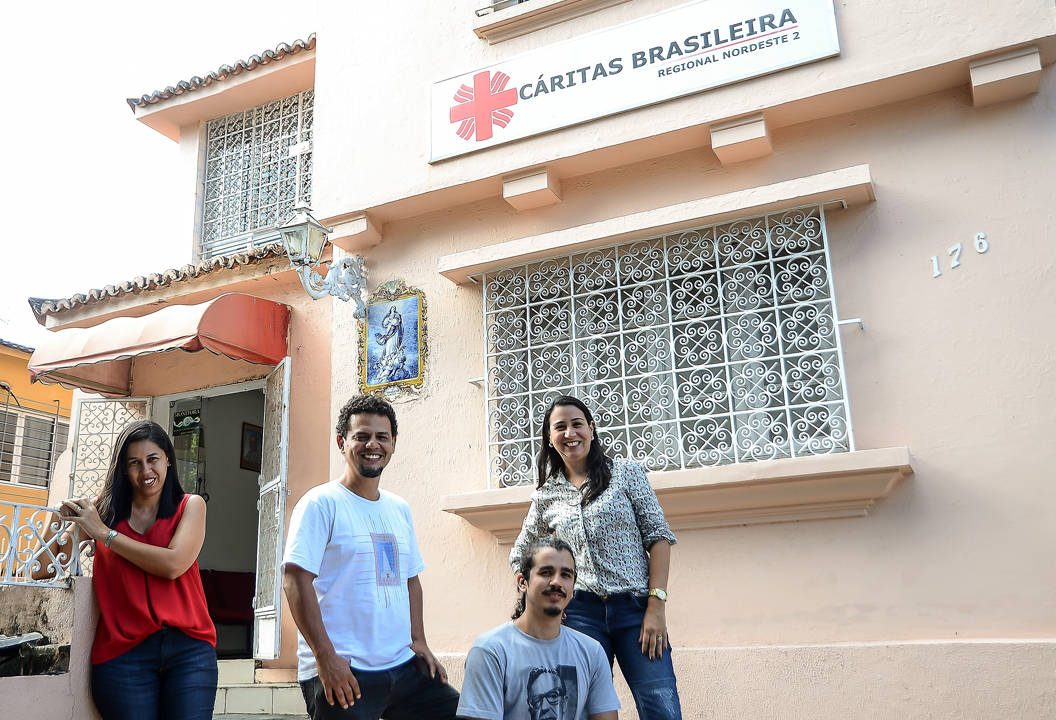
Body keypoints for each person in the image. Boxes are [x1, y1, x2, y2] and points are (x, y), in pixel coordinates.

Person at [282, 394, 459, 720]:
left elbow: (411, 580)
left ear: (393, 442)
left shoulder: (399, 508)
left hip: (402, 666)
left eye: (381, 436)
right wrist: (325, 658)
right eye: (361, 436)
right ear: (342, 442)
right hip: (345, 667)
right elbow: (295, 580)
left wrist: (418, 640)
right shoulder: (321, 503)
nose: (372, 444)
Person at [510, 396, 683, 720]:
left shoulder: (627, 474)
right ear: (549, 436)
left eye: (577, 424)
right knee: (589, 710)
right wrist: (542, 599)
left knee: (660, 704)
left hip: (636, 610)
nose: (570, 433)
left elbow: (659, 537)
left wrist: (655, 605)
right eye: (560, 427)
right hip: (580, 615)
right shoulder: (547, 495)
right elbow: (520, 553)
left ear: (591, 428)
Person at [60, 419, 217, 720]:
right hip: (123, 655)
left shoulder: (191, 506)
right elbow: (45, 568)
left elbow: (173, 565)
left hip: (190, 649)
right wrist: (58, 520)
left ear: (168, 459)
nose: (146, 471)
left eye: (153, 459)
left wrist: (105, 535)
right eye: (135, 463)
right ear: (123, 468)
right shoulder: (102, 511)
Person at [459, 537, 620, 720]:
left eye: (566, 575)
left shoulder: (592, 652)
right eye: (546, 572)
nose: (557, 582)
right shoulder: (491, 651)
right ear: (522, 582)